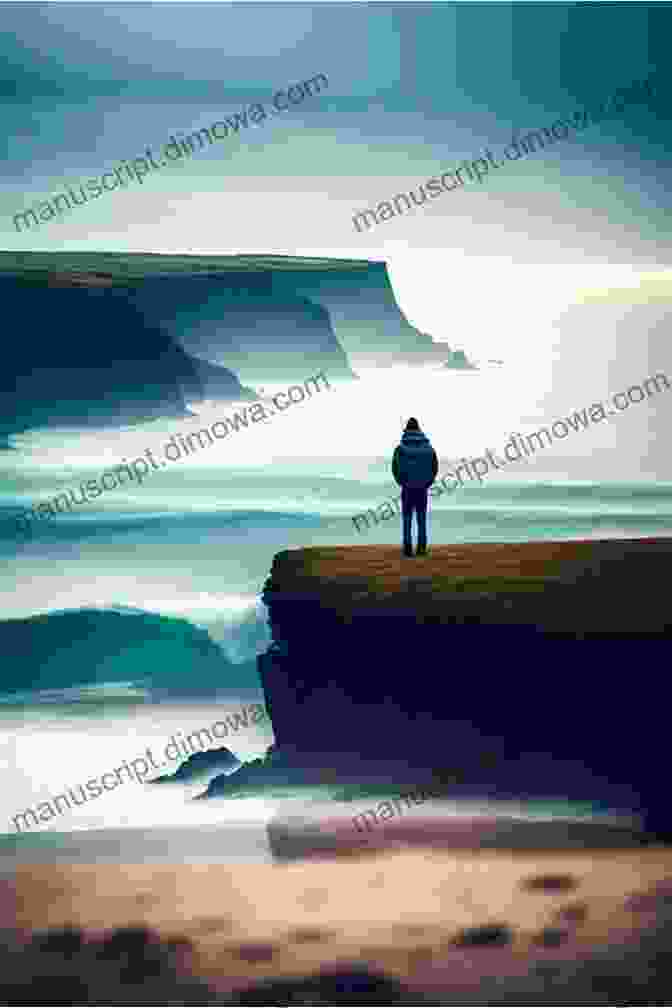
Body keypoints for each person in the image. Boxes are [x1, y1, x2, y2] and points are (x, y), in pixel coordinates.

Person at [391, 418, 438, 557]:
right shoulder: (429, 449)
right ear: (419, 430)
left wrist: (402, 482)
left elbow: (395, 468)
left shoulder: (400, 449)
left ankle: (407, 549)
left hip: (407, 488)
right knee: (421, 519)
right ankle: (422, 549)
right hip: (422, 489)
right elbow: (434, 468)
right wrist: (427, 483)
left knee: (407, 519)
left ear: (406, 430)